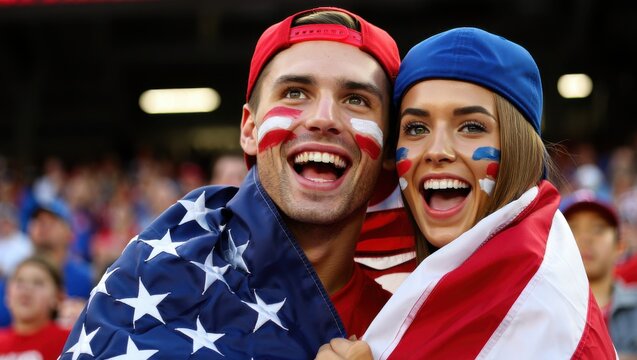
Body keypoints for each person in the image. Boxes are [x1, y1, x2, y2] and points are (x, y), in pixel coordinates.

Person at [60, 7, 400, 359]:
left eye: (356, 100)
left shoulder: (402, 328)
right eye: (295, 93)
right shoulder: (156, 272)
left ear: (390, 146)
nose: (324, 118)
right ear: (249, 130)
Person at [317, 27, 615, 359]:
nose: (437, 150)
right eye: (416, 128)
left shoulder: (537, 306)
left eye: (471, 127)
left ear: (520, 149)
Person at [562, 189, 637, 359]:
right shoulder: (542, 309)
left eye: (598, 229)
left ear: (620, 246)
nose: (585, 238)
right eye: (572, 229)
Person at [0, 256, 71, 360]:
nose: (26, 290)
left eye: (38, 283)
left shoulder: (69, 341)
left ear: (58, 297)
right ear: (7, 296)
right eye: (20, 282)